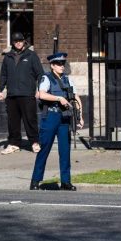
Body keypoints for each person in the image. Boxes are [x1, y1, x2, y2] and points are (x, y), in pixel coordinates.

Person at [30, 52, 83, 191]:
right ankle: (35, 180)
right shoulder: (46, 78)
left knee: (65, 151)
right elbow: (41, 94)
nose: (61, 66)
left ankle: (66, 182)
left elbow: (76, 97)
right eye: (59, 64)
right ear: (52, 66)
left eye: (63, 64)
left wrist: (80, 116)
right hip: (51, 117)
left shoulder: (67, 79)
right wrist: (59, 99)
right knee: (44, 149)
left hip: (64, 118)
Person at [0, 32, 44, 155]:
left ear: (24, 41)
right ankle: (14, 144)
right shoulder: (8, 57)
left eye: (20, 40)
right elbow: (3, 75)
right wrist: (0, 90)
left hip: (27, 94)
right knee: (13, 121)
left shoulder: (32, 55)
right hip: (12, 94)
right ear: (12, 42)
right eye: (15, 41)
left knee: (30, 120)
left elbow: (40, 74)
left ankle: (34, 142)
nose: (18, 43)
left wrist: (40, 89)